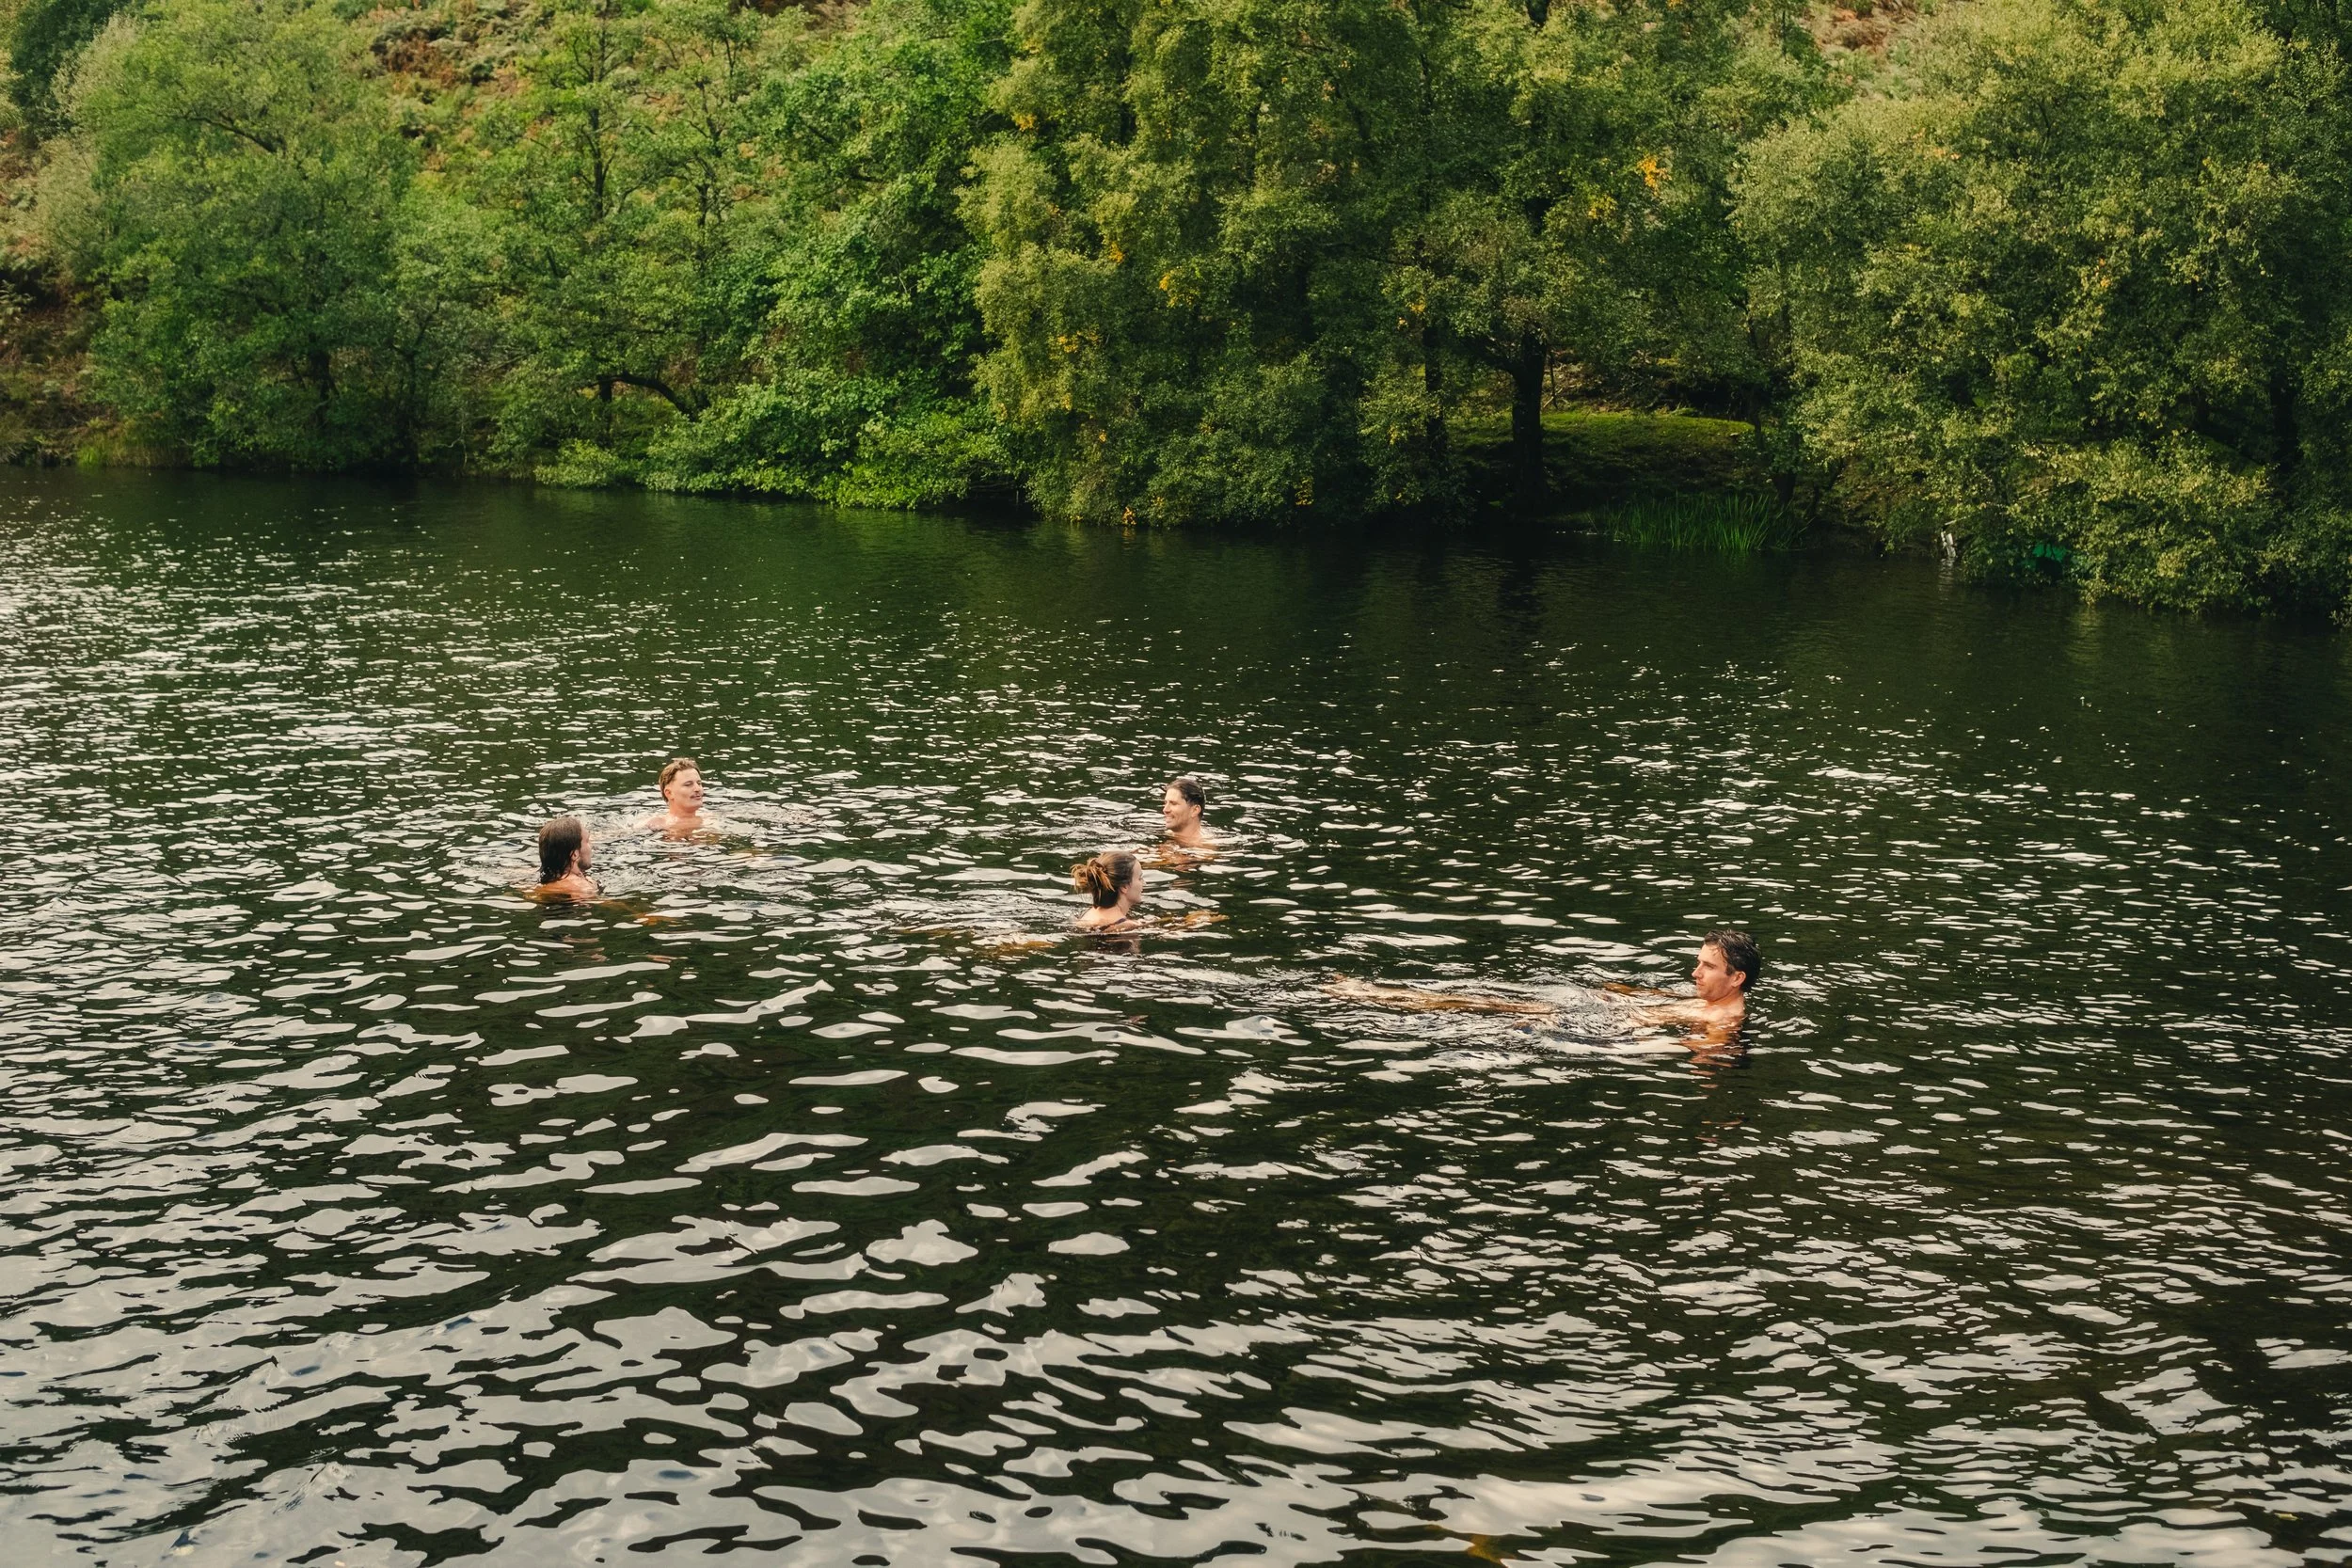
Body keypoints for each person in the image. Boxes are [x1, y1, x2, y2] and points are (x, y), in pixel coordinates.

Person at [1329, 928, 1762, 1050]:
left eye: (1707, 967)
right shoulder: (1712, 1004)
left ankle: (1370, 995)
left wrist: (1625, 1028)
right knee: (1488, 1003)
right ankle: (1374, 994)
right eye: (1697, 963)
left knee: (1484, 1007)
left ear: (1737, 978)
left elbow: (1693, 1056)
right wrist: (1622, 994)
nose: (1694, 973)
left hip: (1599, 1030)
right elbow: (1675, 1010)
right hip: (1605, 1017)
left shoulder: (1723, 1025)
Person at [1072, 850, 1146, 931]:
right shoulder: (1129, 927)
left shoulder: (1088, 915)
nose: (1144, 883)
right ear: (1124, 886)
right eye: (1140, 878)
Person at [533, 816, 599, 900]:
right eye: (587, 841)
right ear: (574, 854)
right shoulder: (582, 889)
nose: (592, 846)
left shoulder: (541, 884)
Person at [642, 756, 707, 836]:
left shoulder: (710, 820)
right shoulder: (656, 824)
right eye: (688, 785)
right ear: (669, 793)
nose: (697, 789)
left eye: (699, 783)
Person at [1160, 776, 1210, 849]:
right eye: (1165, 803)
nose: (1165, 809)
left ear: (1195, 810)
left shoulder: (1203, 849)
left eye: (1173, 803)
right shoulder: (1167, 835)